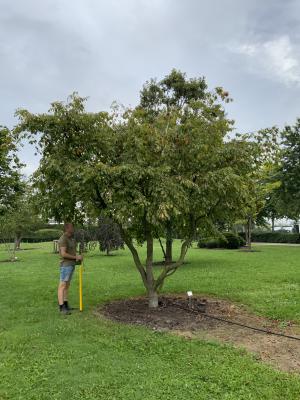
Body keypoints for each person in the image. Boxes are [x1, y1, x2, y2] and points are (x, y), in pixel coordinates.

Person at [57, 223, 83, 314]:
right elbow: (63, 254)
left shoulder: (71, 238)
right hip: (65, 265)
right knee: (62, 285)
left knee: (67, 285)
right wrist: (76, 257)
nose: (73, 228)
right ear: (67, 228)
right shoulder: (63, 239)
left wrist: (78, 256)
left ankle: (66, 304)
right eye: (72, 227)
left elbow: (72, 252)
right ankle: (61, 307)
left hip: (71, 264)